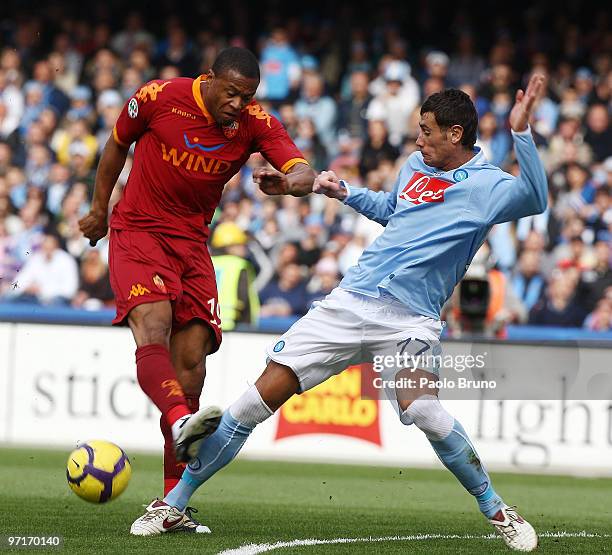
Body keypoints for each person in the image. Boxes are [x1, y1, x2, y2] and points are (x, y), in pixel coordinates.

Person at [131, 76, 547, 552]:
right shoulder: (414, 165)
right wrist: (342, 191)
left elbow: (536, 197)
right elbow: (395, 210)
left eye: (427, 131)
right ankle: (172, 504)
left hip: (411, 320)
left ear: (455, 135)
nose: (418, 139)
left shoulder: (489, 185)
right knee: (251, 403)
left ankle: (496, 509)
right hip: (351, 301)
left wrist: (521, 132)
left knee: (427, 412)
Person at [79, 47, 314, 531]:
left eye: (246, 96)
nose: (237, 104)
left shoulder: (254, 122)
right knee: (154, 324)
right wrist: (100, 208)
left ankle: (170, 504)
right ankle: (180, 419)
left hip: (191, 244)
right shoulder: (159, 96)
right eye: (230, 93)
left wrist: (289, 183)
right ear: (208, 79)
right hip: (139, 231)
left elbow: (303, 171)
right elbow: (115, 146)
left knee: (192, 369)